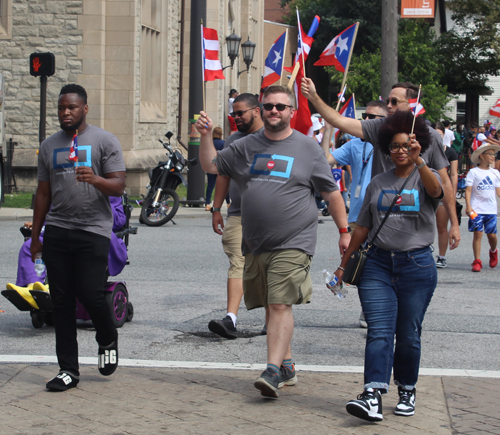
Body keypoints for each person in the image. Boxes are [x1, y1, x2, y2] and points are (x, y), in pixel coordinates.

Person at [196, 85, 350, 399]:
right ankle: (288, 364)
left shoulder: (307, 148)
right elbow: (211, 166)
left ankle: (271, 370)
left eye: (281, 106)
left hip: (295, 241)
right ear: (261, 110)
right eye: (269, 106)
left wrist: (344, 231)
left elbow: (331, 193)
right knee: (271, 304)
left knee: (280, 303)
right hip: (255, 242)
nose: (274, 111)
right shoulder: (245, 145)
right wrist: (204, 136)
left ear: (291, 111)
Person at [334, 111, 443, 422]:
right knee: (379, 331)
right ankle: (372, 394)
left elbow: (437, 192)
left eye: (406, 146)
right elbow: (363, 229)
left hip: (417, 266)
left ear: (417, 146)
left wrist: (421, 162)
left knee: (408, 333)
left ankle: (406, 388)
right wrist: (344, 266)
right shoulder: (377, 183)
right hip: (378, 265)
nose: (400, 151)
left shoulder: (425, 175)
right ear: (386, 148)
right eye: (394, 146)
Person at [31, 84, 126, 391]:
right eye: (61, 108)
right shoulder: (48, 146)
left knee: (90, 293)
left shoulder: (104, 141)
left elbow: (119, 186)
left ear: (84, 108)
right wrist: (36, 235)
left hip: (93, 229)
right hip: (58, 229)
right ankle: (68, 370)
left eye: (71, 107)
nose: (65, 112)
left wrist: (95, 178)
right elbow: (42, 193)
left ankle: (107, 335)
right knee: (60, 303)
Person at [301, 77, 461, 251]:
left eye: (394, 102)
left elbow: (444, 182)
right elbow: (340, 121)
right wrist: (314, 97)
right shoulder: (379, 128)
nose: (389, 106)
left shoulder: (432, 136)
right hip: (380, 221)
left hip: (414, 227)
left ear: (412, 105)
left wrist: (454, 223)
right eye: (387, 101)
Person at [322, 101, 388, 328]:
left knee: (383, 264)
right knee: (363, 264)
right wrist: (328, 133)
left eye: (375, 117)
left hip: (385, 214)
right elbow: (324, 162)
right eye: (366, 116)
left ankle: (379, 308)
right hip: (359, 215)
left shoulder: (391, 144)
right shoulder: (354, 145)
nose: (368, 121)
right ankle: (368, 308)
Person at [208, 93, 264, 339]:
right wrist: (216, 208)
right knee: (237, 262)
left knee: (268, 265)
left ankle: (274, 317)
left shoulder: (274, 137)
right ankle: (230, 318)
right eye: (234, 113)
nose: (236, 117)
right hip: (238, 213)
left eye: (241, 112)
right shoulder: (233, 140)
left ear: (257, 111)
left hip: (270, 216)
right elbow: (221, 173)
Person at [465, 144, 500, 272]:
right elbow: (468, 190)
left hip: (490, 209)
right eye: (490, 154)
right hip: (476, 209)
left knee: (492, 236)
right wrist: (468, 206)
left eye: (493, 154)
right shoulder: (473, 172)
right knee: (477, 234)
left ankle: (493, 251)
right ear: (481, 156)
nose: (493, 157)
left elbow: (498, 192)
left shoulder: (495, 173)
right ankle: (477, 261)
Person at [434, 123, 458, 268]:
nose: (437, 137)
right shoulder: (426, 150)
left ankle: (442, 256)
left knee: (442, 226)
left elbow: (454, 174)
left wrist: (453, 194)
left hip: (443, 191)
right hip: (428, 191)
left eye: (440, 134)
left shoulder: (450, 152)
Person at [205, 127, 228, 211]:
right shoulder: (223, 143)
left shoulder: (210, 143)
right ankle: (228, 202)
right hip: (221, 166)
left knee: (210, 185)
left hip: (211, 166)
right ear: (221, 134)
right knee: (225, 185)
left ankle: (207, 203)